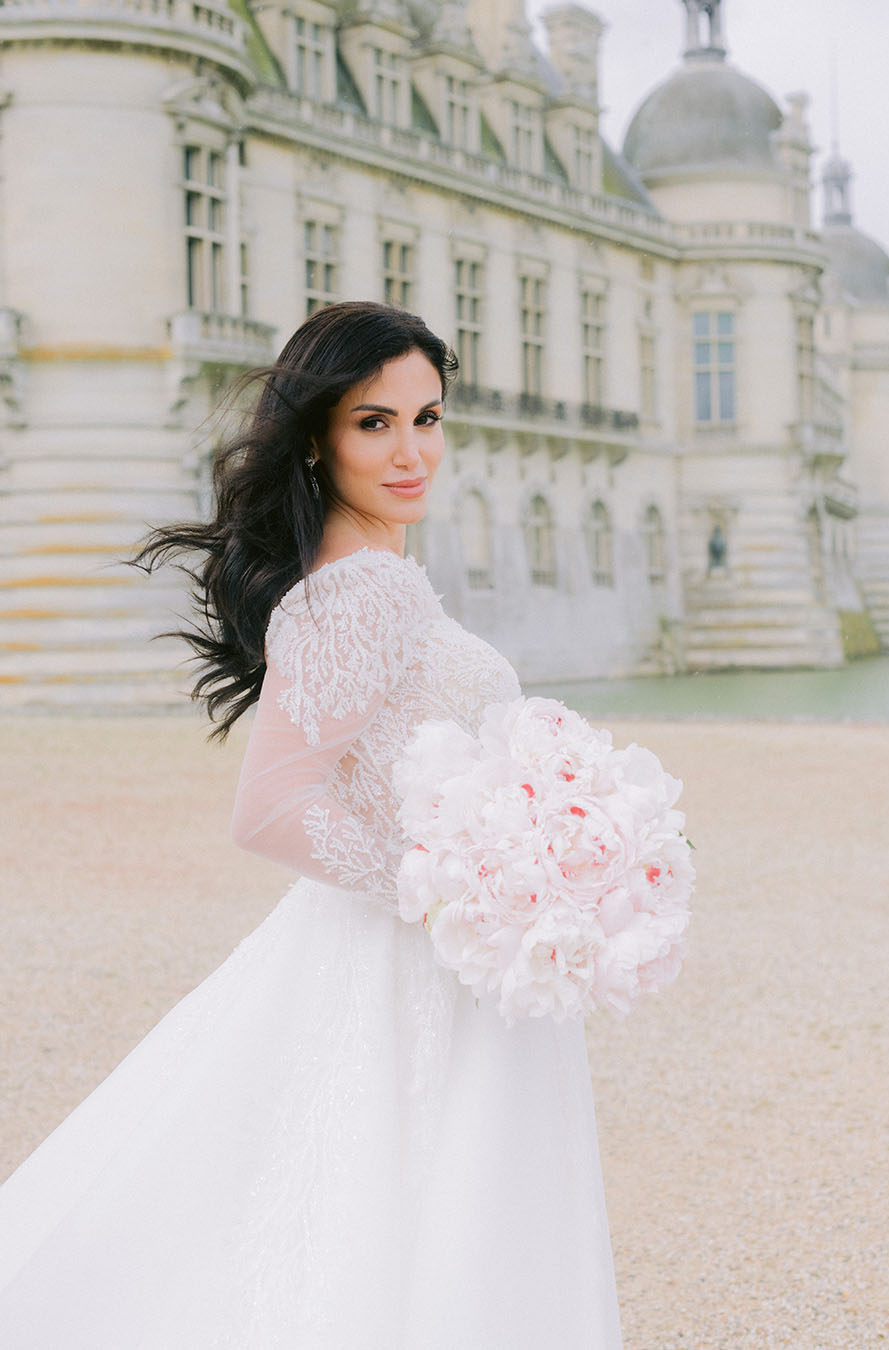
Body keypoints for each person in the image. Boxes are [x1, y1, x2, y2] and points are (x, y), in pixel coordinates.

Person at [0, 302, 622, 1348]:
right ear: (319, 437)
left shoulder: (365, 579)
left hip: (423, 949)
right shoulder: (363, 593)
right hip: (414, 952)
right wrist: (452, 891)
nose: (412, 448)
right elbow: (272, 804)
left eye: (427, 417)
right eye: (373, 423)